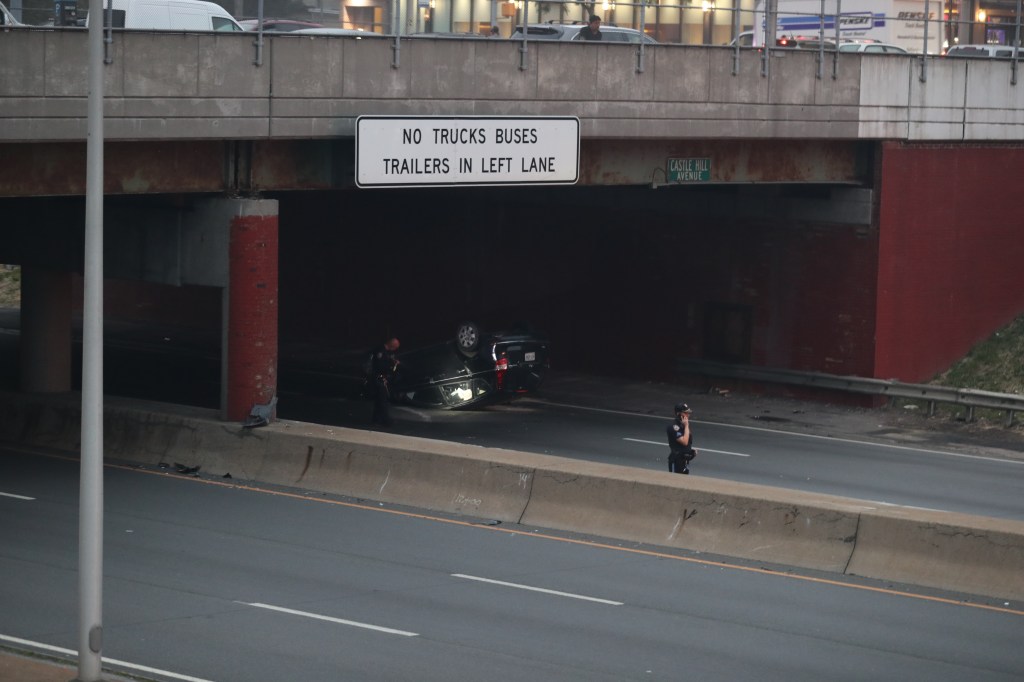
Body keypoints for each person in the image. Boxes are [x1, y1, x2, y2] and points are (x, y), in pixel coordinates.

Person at [368, 337, 400, 427]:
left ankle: (376, 420)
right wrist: (390, 366)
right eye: (395, 347)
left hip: (380, 378)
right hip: (379, 378)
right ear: (392, 345)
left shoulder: (385, 351)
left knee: (379, 401)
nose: (395, 349)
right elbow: (380, 366)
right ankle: (386, 421)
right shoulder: (380, 351)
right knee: (383, 400)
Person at [667, 402, 697, 474]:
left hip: (684, 460)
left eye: (688, 413)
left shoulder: (682, 425)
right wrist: (686, 426)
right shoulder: (674, 427)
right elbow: (684, 441)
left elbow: (688, 440)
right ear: (678, 414)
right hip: (677, 460)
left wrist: (689, 450)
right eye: (685, 413)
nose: (688, 415)